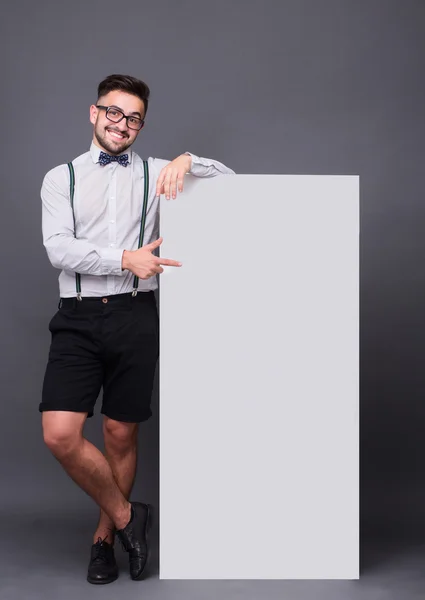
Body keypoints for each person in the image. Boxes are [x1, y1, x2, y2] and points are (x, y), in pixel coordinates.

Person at [40, 73, 235, 585]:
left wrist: (193, 160)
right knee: (61, 434)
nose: (122, 124)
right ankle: (131, 517)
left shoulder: (157, 172)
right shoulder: (62, 177)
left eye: (133, 118)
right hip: (77, 317)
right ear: (94, 112)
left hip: (134, 315)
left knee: (120, 433)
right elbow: (58, 248)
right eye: (113, 112)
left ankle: (105, 539)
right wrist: (124, 258)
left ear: (141, 124)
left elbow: (236, 187)